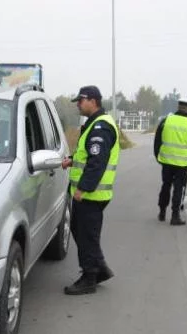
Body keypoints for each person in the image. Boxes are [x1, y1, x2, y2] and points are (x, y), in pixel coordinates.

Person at [61, 85, 120, 295]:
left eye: (81, 100)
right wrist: (72, 160)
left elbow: (97, 162)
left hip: (91, 195)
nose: (78, 104)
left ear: (93, 101)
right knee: (81, 231)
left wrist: (83, 189)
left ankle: (89, 278)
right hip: (89, 194)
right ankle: (100, 268)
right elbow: (87, 155)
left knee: (87, 236)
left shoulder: (100, 128)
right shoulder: (94, 124)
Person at [154, 98, 187, 225]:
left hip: (166, 161)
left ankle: (162, 212)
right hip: (183, 164)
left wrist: (158, 156)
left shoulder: (166, 121)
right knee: (179, 188)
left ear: (178, 107)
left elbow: (157, 141)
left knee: (166, 185)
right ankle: (175, 216)